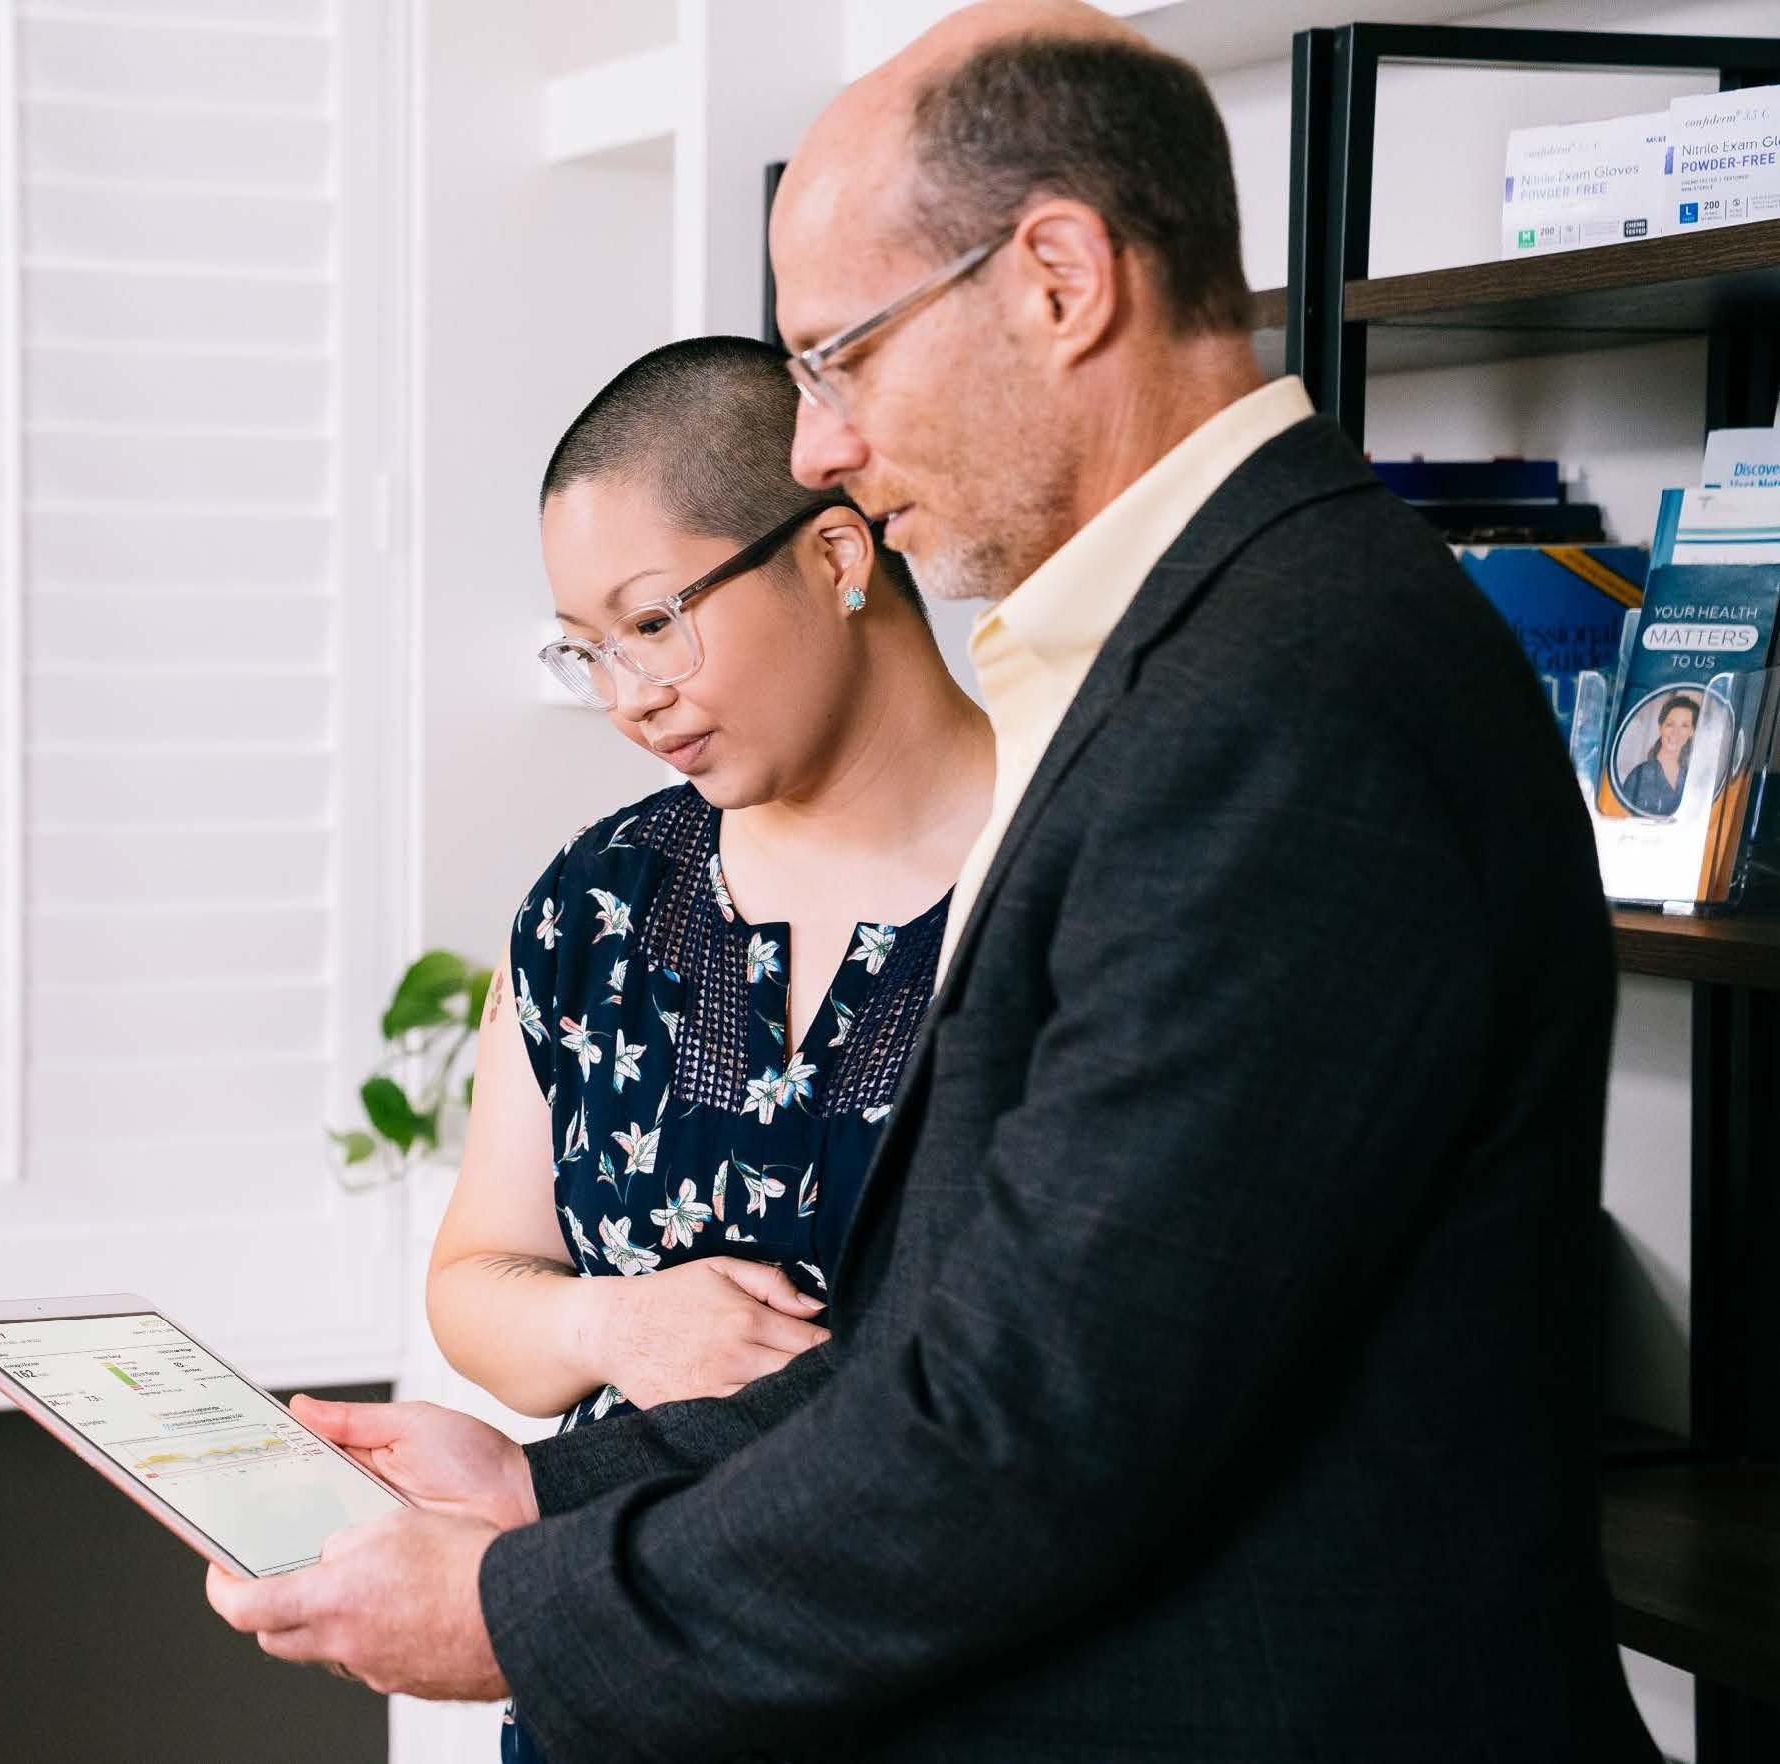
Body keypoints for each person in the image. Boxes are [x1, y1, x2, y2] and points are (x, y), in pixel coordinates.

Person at [209, 5, 1659, 1759]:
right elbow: (964, 1330)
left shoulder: (1283, 692)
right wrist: (537, 1481)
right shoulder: (1186, 660)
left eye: (839, 356)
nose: (816, 442)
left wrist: (504, 1603)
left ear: (1056, 279)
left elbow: (1031, 1420)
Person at [426, 336, 996, 1761]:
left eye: (653, 621)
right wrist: (614, 1324)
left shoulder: (1059, 882)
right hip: (615, 1680)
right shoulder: (593, 904)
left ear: (833, 555)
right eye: (587, 648)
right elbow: (474, 1279)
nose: (627, 696)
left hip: (951, 1691)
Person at [1621, 691, 1697, 817]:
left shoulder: (1690, 779)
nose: (1675, 733)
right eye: (1670, 724)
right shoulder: (1639, 775)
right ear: (1660, 727)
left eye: (1684, 726)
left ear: (1692, 732)